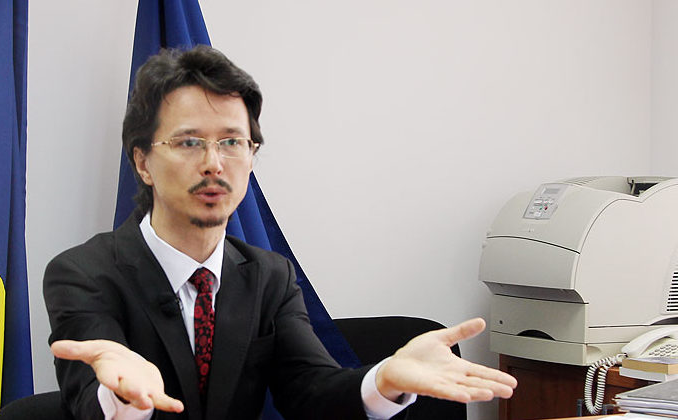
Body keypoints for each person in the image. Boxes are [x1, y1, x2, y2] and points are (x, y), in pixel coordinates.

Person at [44, 45, 516, 420]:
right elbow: (89, 404)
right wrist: (124, 399)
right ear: (143, 162)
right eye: (189, 142)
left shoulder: (268, 275)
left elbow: (311, 390)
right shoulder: (83, 274)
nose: (213, 163)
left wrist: (384, 380)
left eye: (232, 141)